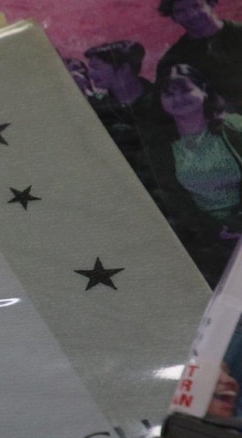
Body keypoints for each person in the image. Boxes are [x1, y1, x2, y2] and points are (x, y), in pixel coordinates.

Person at [146, 63, 242, 286]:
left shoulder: (234, 128)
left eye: (186, 90)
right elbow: (172, 199)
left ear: (204, 90)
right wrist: (212, 229)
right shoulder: (160, 148)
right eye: (169, 94)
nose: (178, 99)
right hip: (205, 238)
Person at [84, 40, 169, 187]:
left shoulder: (163, 100)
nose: (90, 73)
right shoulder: (96, 109)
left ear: (124, 69)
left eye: (96, 68)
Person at [156, 0, 242, 111]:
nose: (191, 15)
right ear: (173, 17)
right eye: (180, 11)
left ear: (211, 4)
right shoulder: (172, 61)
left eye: (196, 6)